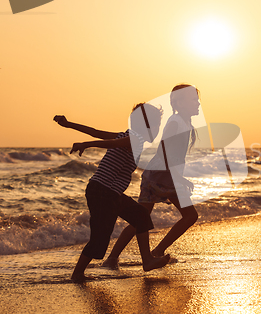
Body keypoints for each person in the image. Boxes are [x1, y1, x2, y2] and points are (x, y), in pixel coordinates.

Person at [53, 103, 170, 282]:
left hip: (111, 193)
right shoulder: (135, 138)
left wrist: (69, 124)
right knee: (100, 238)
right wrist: (86, 144)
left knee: (141, 215)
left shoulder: (129, 136)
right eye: (156, 124)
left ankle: (147, 260)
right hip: (102, 191)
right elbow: (110, 142)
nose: (157, 128)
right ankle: (77, 274)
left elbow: (94, 131)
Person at [102, 84, 200, 269]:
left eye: (197, 99)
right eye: (193, 99)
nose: (198, 103)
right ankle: (152, 253)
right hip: (159, 177)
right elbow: (166, 151)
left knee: (144, 217)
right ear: (178, 102)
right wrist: (180, 179)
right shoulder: (175, 122)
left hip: (163, 176)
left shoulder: (184, 122)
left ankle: (114, 258)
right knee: (188, 215)